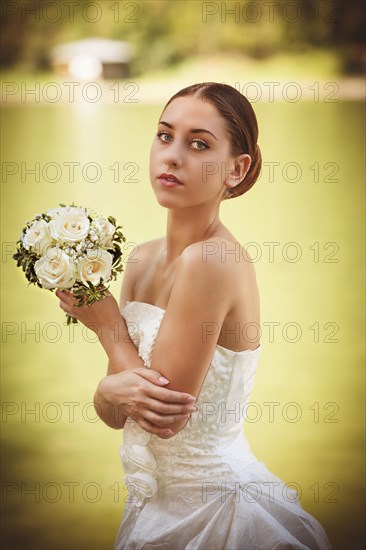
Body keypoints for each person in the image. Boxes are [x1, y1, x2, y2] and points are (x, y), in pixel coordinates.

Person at [56, 82, 332, 550]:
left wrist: (106, 326)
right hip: (153, 507)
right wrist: (107, 390)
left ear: (236, 169)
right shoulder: (141, 260)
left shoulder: (214, 261)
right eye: (164, 135)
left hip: (218, 511)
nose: (172, 155)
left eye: (199, 144)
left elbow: (163, 418)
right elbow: (118, 414)